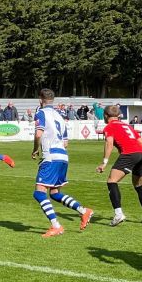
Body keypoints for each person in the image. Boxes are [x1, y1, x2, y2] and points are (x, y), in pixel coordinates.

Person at [31, 89, 94, 238]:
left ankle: (56, 226)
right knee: (54, 193)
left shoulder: (41, 113)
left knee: (39, 193)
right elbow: (66, 143)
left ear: (40, 100)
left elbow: (38, 134)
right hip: (63, 156)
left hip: (51, 156)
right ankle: (84, 211)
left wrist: (35, 150)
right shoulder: (60, 116)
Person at [97, 106, 142, 226]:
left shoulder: (109, 126)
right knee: (138, 185)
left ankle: (118, 214)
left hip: (130, 154)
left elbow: (109, 144)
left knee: (111, 181)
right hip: (141, 154)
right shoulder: (127, 125)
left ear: (106, 116)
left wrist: (104, 162)